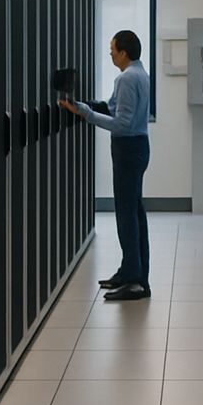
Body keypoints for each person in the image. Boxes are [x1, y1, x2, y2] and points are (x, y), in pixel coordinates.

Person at [61, 29, 152, 301]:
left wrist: (87, 114)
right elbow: (114, 109)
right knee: (134, 212)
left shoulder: (125, 78)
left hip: (127, 149)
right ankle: (131, 272)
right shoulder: (140, 74)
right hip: (138, 148)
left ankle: (134, 281)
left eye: (112, 49)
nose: (110, 53)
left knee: (126, 214)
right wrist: (82, 106)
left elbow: (122, 123)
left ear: (124, 52)